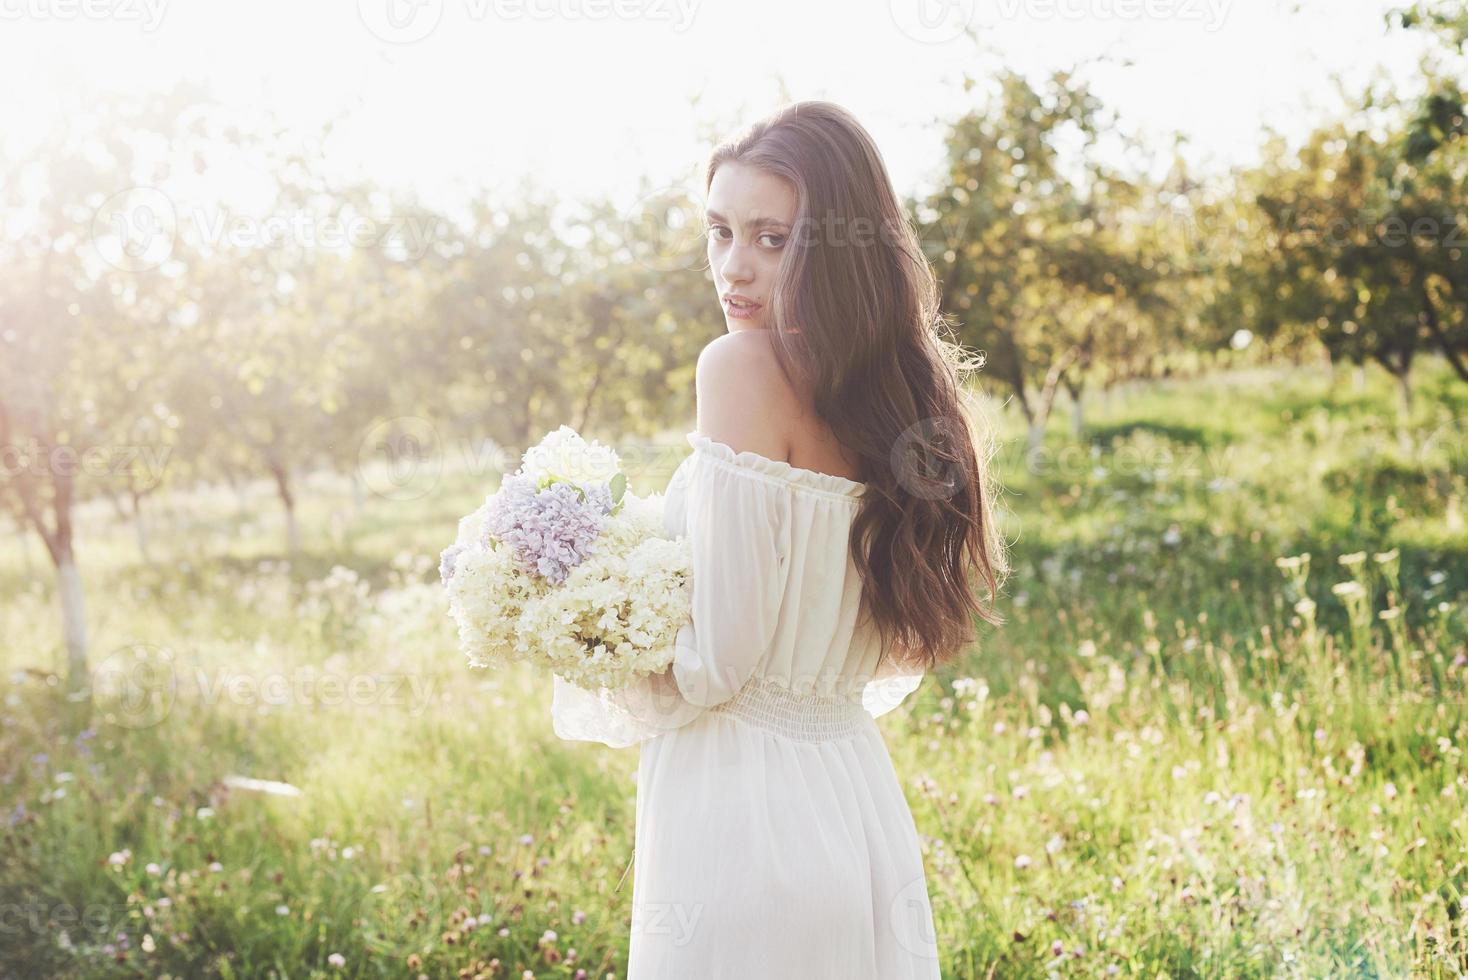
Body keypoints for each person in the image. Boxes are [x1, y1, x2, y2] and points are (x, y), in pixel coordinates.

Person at [552, 100, 1009, 979]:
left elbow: (716, 667)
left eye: (773, 239)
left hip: (739, 813)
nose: (734, 270)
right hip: (852, 800)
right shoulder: (903, 399)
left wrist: (582, 624)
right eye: (719, 231)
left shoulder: (739, 369)